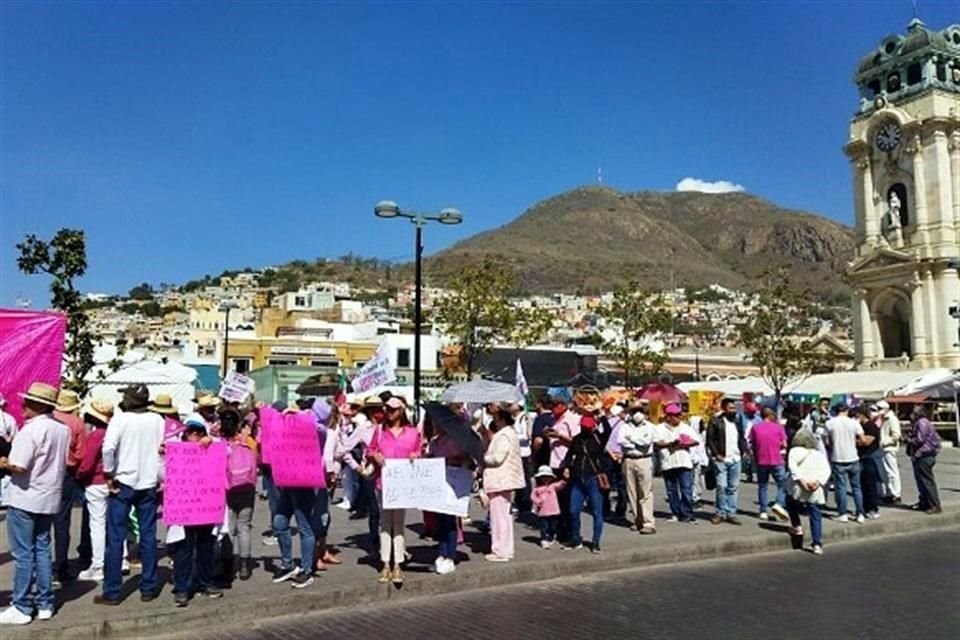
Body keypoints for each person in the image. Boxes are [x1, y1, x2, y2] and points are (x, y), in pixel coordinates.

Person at [0, 383, 70, 625]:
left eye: (28, 402)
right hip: (48, 496)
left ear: (38, 405)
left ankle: (22, 605)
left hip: (25, 496)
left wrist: (3, 463)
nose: (23, 405)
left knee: (23, 554)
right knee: (41, 549)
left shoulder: (30, 430)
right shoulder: (62, 429)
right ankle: (45, 602)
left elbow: (19, 465)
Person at [94, 384, 165, 606]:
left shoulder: (120, 420)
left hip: (123, 482)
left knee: (116, 538)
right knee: (148, 536)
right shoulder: (157, 420)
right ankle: (149, 587)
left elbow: (108, 448)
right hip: (148, 481)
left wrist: (109, 473)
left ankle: (112, 591)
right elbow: (162, 449)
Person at [165, 414, 223, 607]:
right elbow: (162, 473)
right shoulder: (175, 451)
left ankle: (205, 582)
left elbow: (227, 452)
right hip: (185, 511)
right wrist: (163, 455)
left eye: (199, 432)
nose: (195, 436)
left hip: (206, 508)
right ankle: (182, 588)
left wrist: (211, 440)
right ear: (184, 434)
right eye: (191, 432)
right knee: (184, 550)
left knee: (206, 547)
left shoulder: (212, 448)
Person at [366, 396, 421, 584]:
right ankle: (385, 563)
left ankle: (397, 563)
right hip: (384, 483)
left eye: (393, 409)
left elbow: (420, 451)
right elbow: (369, 450)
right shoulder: (380, 431)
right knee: (385, 524)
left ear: (401, 410)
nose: (389, 412)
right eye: (387, 409)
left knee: (398, 524)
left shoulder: (412, 432)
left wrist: (416, 455)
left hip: (403, 485)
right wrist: (375, 455)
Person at [75, 400, 115, 582]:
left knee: (97, 524)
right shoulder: (111, 433)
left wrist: (79, 475)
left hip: (96, 481)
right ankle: (120, 559)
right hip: (112, 480)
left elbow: (88, 462)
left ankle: (98, 564)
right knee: (113, 523)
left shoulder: (96, 435)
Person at [428, 414, 472, 574]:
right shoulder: (434, 442)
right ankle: (441, 554)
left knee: (450, 521)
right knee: (440, 521)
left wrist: (450, 460)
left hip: (452, 485)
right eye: (435, 423)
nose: (436, 426)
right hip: (438, 484)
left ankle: (450, 556)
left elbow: (466, 460)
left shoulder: (455, 441)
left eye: (439, 423)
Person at [52, 388, 88, 585]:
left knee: (40, 524)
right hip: (66, 472)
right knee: (62, 522)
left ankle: (41, 567)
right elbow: (80, 453)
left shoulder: (47, 419)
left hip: (44, 472)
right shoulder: (77, 423)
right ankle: (60, 567)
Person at [482, 405, 524, 561]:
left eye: (495, 417)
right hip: (504, 480)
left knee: (499, 517)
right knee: (503, 516)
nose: (494, 420)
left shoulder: (504, 435)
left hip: (501, 479)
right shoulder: (507, 433)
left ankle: (501, 550)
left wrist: (484, 458)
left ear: (501, 419)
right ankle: (504, 549)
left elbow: (497, 458)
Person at [561, 414, 609, 552]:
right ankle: (576, 539)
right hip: (577, 479)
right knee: (573, 511)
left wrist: (603, 418)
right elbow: (569, 454)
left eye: (587, 427)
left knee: (597, 512)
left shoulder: (598, 438)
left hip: (593, 478)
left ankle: (595, 542)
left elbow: (608, 431)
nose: (585, 429)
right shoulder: (577, 439)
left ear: (593, 427)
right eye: (583, 427)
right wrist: (567, 467)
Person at [222, 409, 258, 580]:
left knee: (228, 527)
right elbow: (256, 462)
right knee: (244, 526)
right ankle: (244, 565)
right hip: (247, 488)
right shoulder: (248, 442)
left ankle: (227, 565)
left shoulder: (219, 444)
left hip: (227, 489)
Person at [785, 429, 831, 556]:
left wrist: (802, 482)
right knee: (815, 515)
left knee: (790, 502)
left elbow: (792, 467)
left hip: (798, 487)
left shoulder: (794, 451)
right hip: (815, 487)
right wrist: (818, 482)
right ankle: (817, 544)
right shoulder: (819, 454)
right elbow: (826, 470)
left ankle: (797, 526)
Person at [655, 403, 700, 524]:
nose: (678, 417)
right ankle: (675, 512)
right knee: (671, 490)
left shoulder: (685, 427)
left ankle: (687, 513)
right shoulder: (660, 428)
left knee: (686, 489)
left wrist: (684, 444)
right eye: (676, 415)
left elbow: (696, 441)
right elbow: (656, 443)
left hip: (683, 461)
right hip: (668, 462)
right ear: (668, 416)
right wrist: (670, 444)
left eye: (679, 415)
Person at [706, 398, 747, 525]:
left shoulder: (737, 421)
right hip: (722, 459)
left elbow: (741, 437)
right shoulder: (715, 421)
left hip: (735, 458)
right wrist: (716, 454)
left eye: (734, 408)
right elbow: (710, 440)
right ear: (724, 409)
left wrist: (744, 450)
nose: (733, 411)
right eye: (731, 408)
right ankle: (720, 512)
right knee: (721, 486)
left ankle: (731, 513)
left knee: (733, 487)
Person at [545, 397, 579, 542]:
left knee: (567, 499)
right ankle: (559, 529)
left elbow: (576, 442)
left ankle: (569, 532)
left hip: (566, 463)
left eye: (554, 406)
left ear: (562, 405)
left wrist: (559, 436)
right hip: (555, 462)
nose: (552, 409)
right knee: (557, 499)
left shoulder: (572, 419)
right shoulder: (554, 419)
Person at [618, 408, 657, 534]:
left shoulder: (649, 427)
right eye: (634, 411)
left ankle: (648, 522)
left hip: (644, 459)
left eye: (639, 411)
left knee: (645, 492)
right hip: (628, 459)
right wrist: (635, 442)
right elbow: (621, 441)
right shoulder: (625, 427)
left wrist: (631, 439)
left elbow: (646, 442)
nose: (637, 414)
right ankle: (637, 520)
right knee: (632, 492)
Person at [825, 403, 865, 524]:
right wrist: (854, 442)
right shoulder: (854, 423)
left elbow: (828, 441)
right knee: (856, 487)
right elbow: (863, 439)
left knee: (840, 487)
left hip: (838, 457)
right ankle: (860, 513)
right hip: (853, 456)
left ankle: (842, 513)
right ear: (846, 410)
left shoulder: (830, 423)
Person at [750, 407, 789, 521]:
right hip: (776, 459)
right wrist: (778, 444)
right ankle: (779, 503)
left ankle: (763, 511)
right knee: (783, 484)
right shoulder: (778, 427)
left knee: (763, 486)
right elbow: (785, 444)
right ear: (770, 415)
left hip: (761, 460)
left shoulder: (755, 427)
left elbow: (753, 444)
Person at [906, 407, 942, 514]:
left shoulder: (922, 422)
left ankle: (934, 505)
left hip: (924, 455)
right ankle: (924, 502)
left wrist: (908, 439)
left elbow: (920, 439)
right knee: (921, 481)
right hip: (922, 455)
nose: (910, 416)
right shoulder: (921, 423)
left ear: (917, 414)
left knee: (926, 481)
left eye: (912, 413)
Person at [856, 406, 885, 520]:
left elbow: (866, 442)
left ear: (862, 415)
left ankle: (873, 508)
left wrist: (853, 441)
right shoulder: (861, 426)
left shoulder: (870, 426)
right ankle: (866, 508)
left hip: (870, 457)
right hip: (863, 457)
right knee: (863, 485)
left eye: (857, 415)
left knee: (870, 485)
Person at [531, 466, 566, 548]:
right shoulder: (537, 489)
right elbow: (533, 496)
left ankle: (551, 536)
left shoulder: (553, 486)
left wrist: (564, 480)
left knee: (553, 526)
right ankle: (544, 539)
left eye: (548, 477)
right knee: (544, 526)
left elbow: (560, 485)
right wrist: (538, 501)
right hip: (543, 512)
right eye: (543, 477)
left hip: (554, 511)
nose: (545, 479)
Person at [509, 403, 533, 514]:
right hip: (516, 453)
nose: (509, 407)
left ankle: (526, 505)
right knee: (517, 479)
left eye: (511, 405)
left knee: (524, 480)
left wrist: (512, 436)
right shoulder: (514, 418)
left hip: (523, 453)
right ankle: (519, 502)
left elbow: (526, 436)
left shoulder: (523, 418)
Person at [876, 400, 902, 504]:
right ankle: (888, 493)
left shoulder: (892, 419)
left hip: (889, 449)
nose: (878, 410)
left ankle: (896, 494)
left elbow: (896, 435)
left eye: (879, 408)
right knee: (884, 473)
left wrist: (884, 442)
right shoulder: (882, 419)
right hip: (882, 449)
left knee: (892, 472)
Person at [740, 401, 761, 482]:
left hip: (755, 441)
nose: (752, 414)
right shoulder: (741, 417)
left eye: (753, 412)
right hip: (745, 440)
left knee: (755, 459)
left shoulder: (758, 419)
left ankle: (755, 473)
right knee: (746, 459)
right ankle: (748, 474)